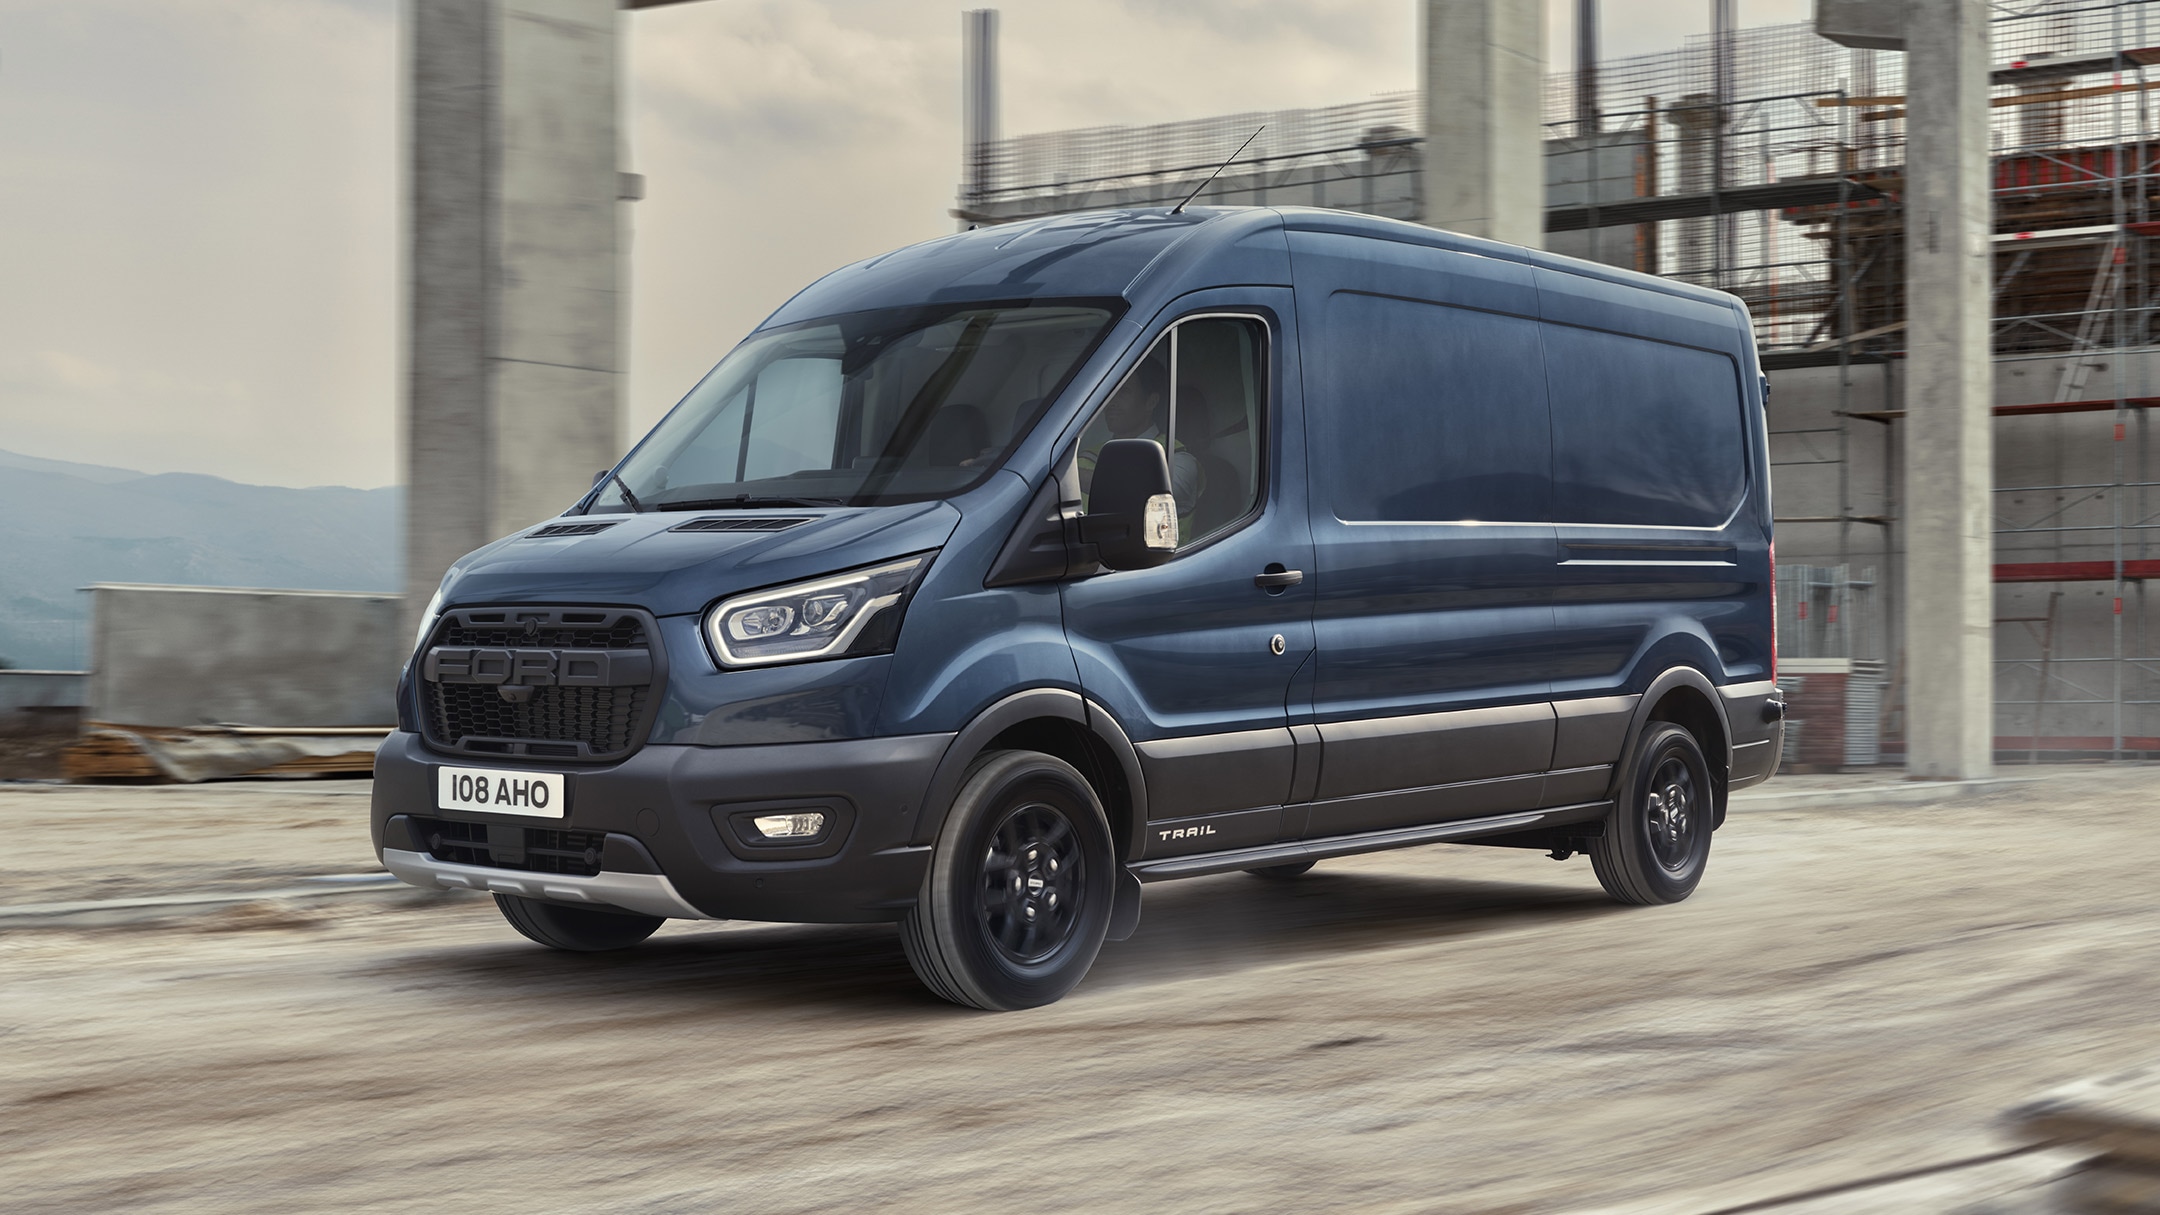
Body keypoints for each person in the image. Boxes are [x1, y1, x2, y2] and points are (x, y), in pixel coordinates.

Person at [1077, 379, 1204, 537]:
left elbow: (1149, 493)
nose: (1111, 402)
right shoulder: (1086, 457)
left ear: (1151, 402)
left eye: (1124, 392)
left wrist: (1073, 479)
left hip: (1168, 562)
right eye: (1110, 392)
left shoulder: (1179, 459)